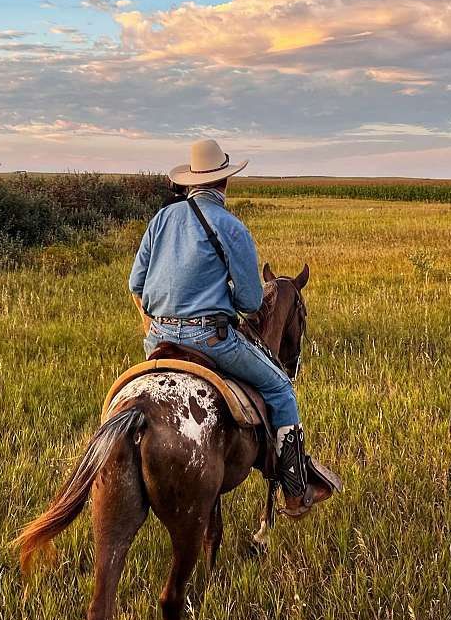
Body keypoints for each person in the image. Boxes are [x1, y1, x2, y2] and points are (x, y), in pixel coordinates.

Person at [129, 138, 337, 517]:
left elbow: (136, 285)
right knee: (280, 387)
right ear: (225, 181)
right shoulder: (231, 226)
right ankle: (295, 488)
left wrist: (158, 324)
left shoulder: (161, 220)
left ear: (191, 181)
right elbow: (251, 302)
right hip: (210, 340)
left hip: (157, 339)